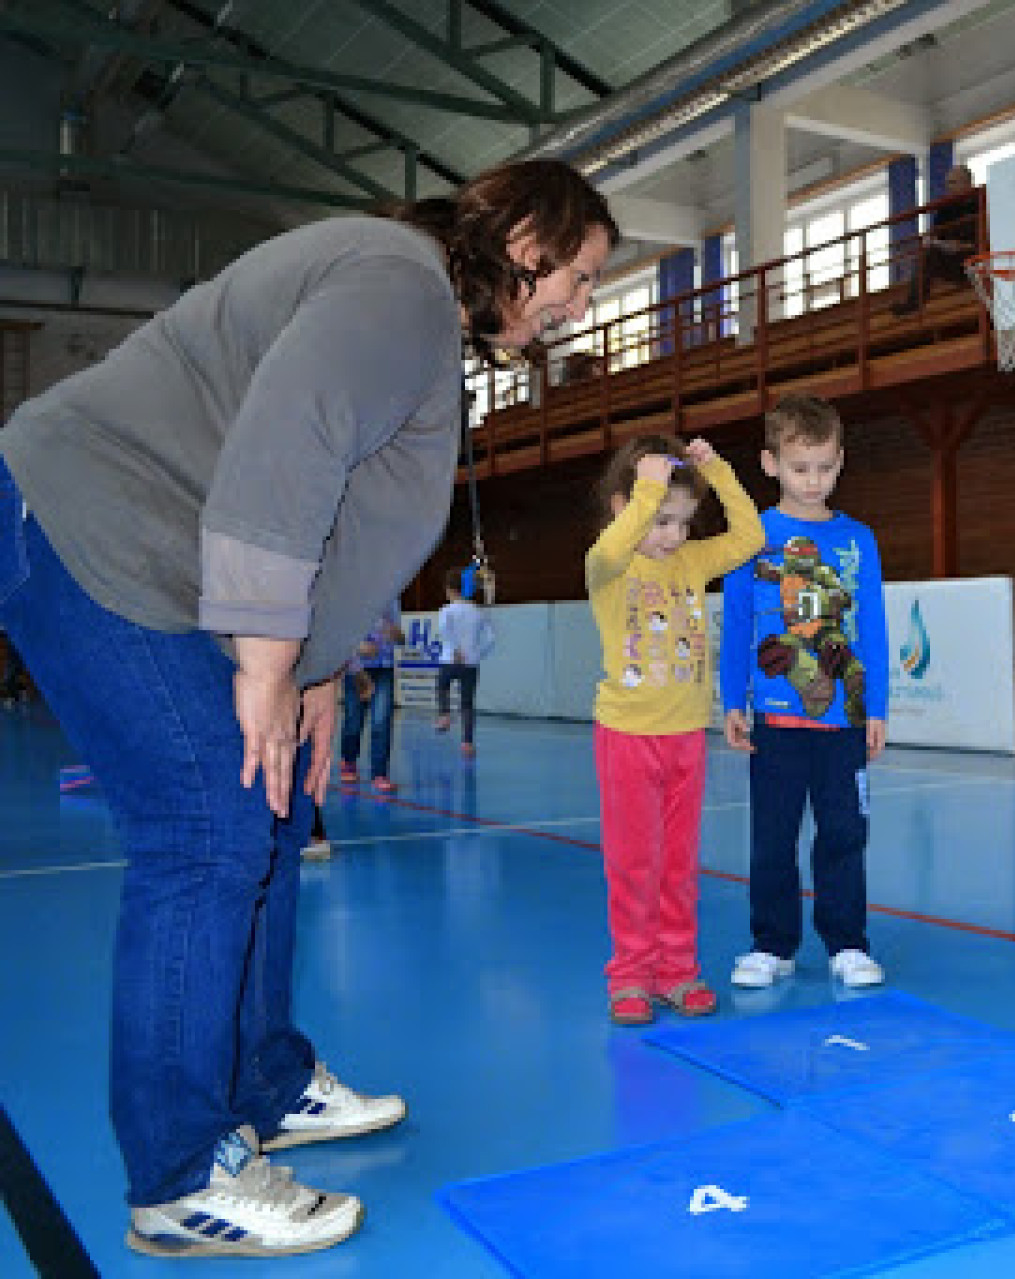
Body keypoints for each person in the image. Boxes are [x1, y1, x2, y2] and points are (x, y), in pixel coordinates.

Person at [0, 158, 616, 1258]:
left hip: (164, 554)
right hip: (90, 522)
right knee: (207, 827)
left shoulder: (419, 311)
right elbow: (281, 462)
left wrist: (318, 672)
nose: (581, 303)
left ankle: (263, 1081)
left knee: (272, 804)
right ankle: (179, 1175)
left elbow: (345, 515)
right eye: (580, 274)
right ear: (529, 242)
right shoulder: (399, 285)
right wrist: (266, 664)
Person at [587, 434, 762, 1026]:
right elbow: (614, 545)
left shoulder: (691, 563)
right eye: (661, 521)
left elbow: (749, 537)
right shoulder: (609, 566)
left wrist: (719, 472)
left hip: (686, 737)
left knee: (679, 864)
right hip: (628, 738)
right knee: (634, 864)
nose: (673, 535)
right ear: (626, 506)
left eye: (683, 523)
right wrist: (647, 493)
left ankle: (676, 969)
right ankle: (631, 974)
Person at [720, 395, 890, 991]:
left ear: (840, 461)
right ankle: (772, 944)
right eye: (800, 468)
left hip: (844, 720)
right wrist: (732, 700)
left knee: (844, 834)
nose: (813, 481)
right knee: (773, 837)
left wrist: (876, 705)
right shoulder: (751, 538)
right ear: (770, 464)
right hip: (774, 723)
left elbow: (873, 626)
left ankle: (848, 943)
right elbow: (736, 623)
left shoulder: (859, 540)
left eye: (825, 467)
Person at [892, 164, 979, 316]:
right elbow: (934, 236)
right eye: (947, 183)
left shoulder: (981, 201)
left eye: (953, 182)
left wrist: (966, 246)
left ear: (967, 182)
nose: (949, 187)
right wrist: (939, 243)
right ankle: (914, 304)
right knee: (927, 255)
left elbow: (990, 235)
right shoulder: (946, 208)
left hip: (977, 258)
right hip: (954, 261)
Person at [339, 597, 404, 793]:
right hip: (356, 668)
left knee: (382, 721)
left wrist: (396, 635)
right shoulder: (352, 595)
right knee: (353, 719)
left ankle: (379, 773)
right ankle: (349, 760)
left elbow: (400, 637)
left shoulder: (392, 598)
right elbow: (340, 633)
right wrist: (357, 647)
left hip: (384, 667)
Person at [434, 567, 495, 758]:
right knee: (467, 704)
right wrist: (477, 654)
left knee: (442, 686)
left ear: (450, 590)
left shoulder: (446, 610)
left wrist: (454, 649)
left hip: (450, 661)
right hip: (470, 664)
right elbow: (491, 639)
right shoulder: (478, 612)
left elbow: (444, 629)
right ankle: (467, 743)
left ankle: (444, 715)